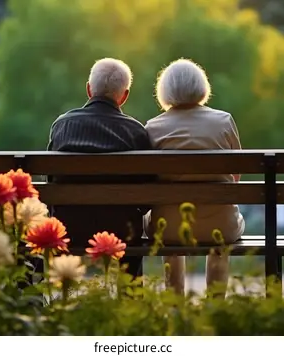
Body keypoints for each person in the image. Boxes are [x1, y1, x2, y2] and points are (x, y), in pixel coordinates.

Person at [144, 59, 246, 295]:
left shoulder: (153, 127)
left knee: (167, 225)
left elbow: (148, 180)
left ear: (165, 90)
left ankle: (175, 301)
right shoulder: (224, 121)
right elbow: (237, 175)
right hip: (220, 224)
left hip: (168, 227)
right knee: (222, 230)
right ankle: (215, 303)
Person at [46, 58, 154, 278]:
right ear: (124, 96)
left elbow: (51, 182)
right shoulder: (135, 132)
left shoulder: (62, 125)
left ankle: (35, 303)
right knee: (132, 223)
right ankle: (131, 302)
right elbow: (146, 199)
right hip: (122, 231)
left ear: (88, 89)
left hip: (68, 227)